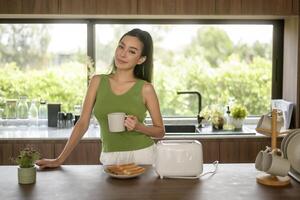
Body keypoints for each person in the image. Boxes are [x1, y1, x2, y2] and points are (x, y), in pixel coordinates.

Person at [36, 28, 165, 168]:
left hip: (142, 155)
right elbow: (82, 123)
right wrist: (59, 160)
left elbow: (160, 131)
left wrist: (139, 127)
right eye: (121, 46)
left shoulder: (146, 88)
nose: (123, 54)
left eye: (132, 51)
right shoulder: (97, 81)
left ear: (141, 59)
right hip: (109, 156)